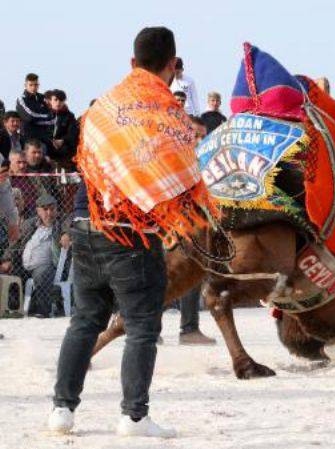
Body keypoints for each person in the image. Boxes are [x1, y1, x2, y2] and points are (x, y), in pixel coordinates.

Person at [49, 26, 218, 438]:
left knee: (85, 321)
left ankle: (61, 410)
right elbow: (183, 179)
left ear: (131, 62)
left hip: (88, 225)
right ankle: (134, 417)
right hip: (133, 237)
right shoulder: (171, 118)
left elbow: (87, 163)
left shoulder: (101, 109)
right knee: (143, 327)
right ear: (173, 67)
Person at [174, 117, 217, 346]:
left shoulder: (204, 159)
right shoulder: (177, 159)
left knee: (191, 274)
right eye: (195, 135)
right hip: (174, 225)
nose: (200, 140)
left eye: (203, 135)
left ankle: (189, 329)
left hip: (195, 225)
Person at [19, 194, 66, 317]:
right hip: (21, 266)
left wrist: (66, 234)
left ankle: (42, 311)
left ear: (57, 209)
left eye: (52, 209)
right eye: (45, 209)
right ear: (38, 211)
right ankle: (11, 308)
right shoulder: (29, 224)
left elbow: (71, 222)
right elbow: (15, 243)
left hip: (47, 266)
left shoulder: (60, 223)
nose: (49, 213)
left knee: (42, 274)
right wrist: (6, 259)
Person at [45, 89, 79, 171]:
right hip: (47, 146)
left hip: (63, 148)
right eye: (55, 100)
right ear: (50, 101)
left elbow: (73, 133)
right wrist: (50, 141)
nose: (58, 103)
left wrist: (62, 140)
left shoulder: (69, 116)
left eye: (61, 100)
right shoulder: (44, 114)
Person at [16, 73, 54, 142]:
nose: (33, 87)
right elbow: (30, 117)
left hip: (45, 138)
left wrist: (40, 119)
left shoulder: (42, 98)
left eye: (36, 85)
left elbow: (53, 117)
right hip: (28, 139)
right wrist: (47, 116)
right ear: (25, 85)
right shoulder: (21, 99)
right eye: (31, 85)